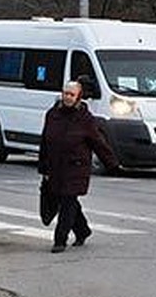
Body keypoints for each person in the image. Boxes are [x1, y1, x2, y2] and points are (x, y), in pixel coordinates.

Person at [38, 80, 119, 253]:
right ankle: (83, 230)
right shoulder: (52, 114)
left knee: (67, 201)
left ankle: (60, 240)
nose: (67, 97)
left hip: (76, 168)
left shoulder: (85, 119)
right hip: (56, 167)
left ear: (78, 97)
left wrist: (112, 164)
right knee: (67, 200)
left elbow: (99, 143)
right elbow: (44, 141)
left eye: (71, 94)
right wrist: (43, 167)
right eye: (65, 93)